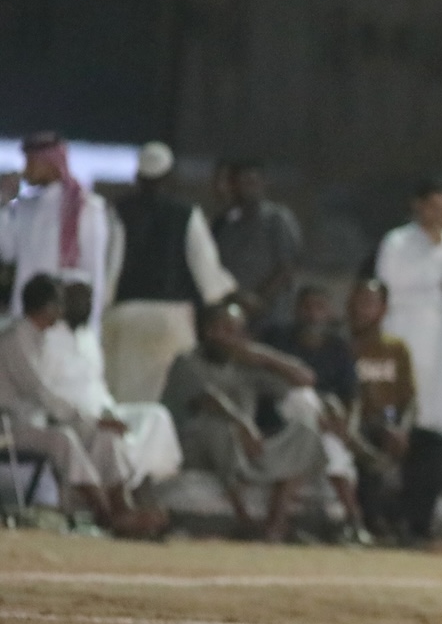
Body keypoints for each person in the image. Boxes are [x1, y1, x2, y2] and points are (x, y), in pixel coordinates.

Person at [0, 276, 156, 534]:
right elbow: (40, 393)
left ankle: (123, 506)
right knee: (63, 439)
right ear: (48, 307)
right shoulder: (15, 340)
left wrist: (96, 423)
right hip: (8, 428)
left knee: (105, 437)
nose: (62, 311)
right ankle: (105, 513)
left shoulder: (37, 338)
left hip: (35, 424)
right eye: (59, 304)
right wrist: (90, 420)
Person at [162, 302, 329, 540]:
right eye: (224, 329)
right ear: (208, 331)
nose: (231, 337)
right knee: (217, 425)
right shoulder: (187, 362)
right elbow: (209, 400)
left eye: (237, 331)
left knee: (307, 430)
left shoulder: (245, 365)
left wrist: (265, 357)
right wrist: (243, 424)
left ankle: (276, 524)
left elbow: (306, 379)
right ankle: (244, 520)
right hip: (197, 448)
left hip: (245, 449)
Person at [103, 142, 238, 403]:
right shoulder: (187, 214)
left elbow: (110, 267)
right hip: (171, 319)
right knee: (164, 401)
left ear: (138, 177)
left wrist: (104, 307)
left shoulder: (117, 211)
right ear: (169, 177)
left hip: (125, 316)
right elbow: (206, 273)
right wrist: (226, 295)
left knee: (123, 396)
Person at [42, 276, 183, 493]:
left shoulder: (88, 337)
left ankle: (145, 487)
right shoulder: (47, 338)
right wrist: (95, 420)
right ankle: (123, 496)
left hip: (102, 411)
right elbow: (46, 394)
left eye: (87, 299)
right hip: (73, 419)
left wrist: (109, 413)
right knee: (109, 437)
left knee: (157, 417)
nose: (83, 304)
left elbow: (98, 385)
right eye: (76, 298)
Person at [374, 177, 442, 447]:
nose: (439, 215)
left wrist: (441, 252)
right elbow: (389, 283)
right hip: (403, 329)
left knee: (440, 402)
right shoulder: (397, 241)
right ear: (417, 205)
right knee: (406, 394)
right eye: (433, 207)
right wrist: (433, 277)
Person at [343, 280, 442, 543]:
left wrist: (402, 430)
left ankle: (414, 525)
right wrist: (380, 427)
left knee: (436, 445)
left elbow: (410, 400)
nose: (360, 309)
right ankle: (373, 523)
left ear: (383, 309)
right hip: (359, 427)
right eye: (356, 302)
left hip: (393, 426)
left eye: (368, 303)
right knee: (367, 449)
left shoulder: (396, 348)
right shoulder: (342, 347)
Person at [261, 285, 367, 539]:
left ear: (329, 313)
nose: (312, 314)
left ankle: (352, 523)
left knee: (328, 440)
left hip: (320, 428)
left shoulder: (338, 348)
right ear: (296, 310)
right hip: (280, 417)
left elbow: (352, 396)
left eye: (319, 308)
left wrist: (348, 427)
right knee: (305, 400)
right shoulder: (277, 338)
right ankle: (354, 520)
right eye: (307, 307)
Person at [0, 133, 111, 331]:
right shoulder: (25, 207)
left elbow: (94, 272)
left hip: (65, 322)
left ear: (50, 164)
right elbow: (8, 252)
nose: (26, 170)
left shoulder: (87, 208)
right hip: (25, 318)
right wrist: (3, 202)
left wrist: (91, 327)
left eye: (31, 163)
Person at [210, 159, 303, 328]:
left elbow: (287, 267)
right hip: (232, 312)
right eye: (241, 183)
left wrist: (258, 299)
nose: (247, 188)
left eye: (252, 182)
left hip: (270, 314)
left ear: (263, 183)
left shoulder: (277, 219)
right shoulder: (224, 222)